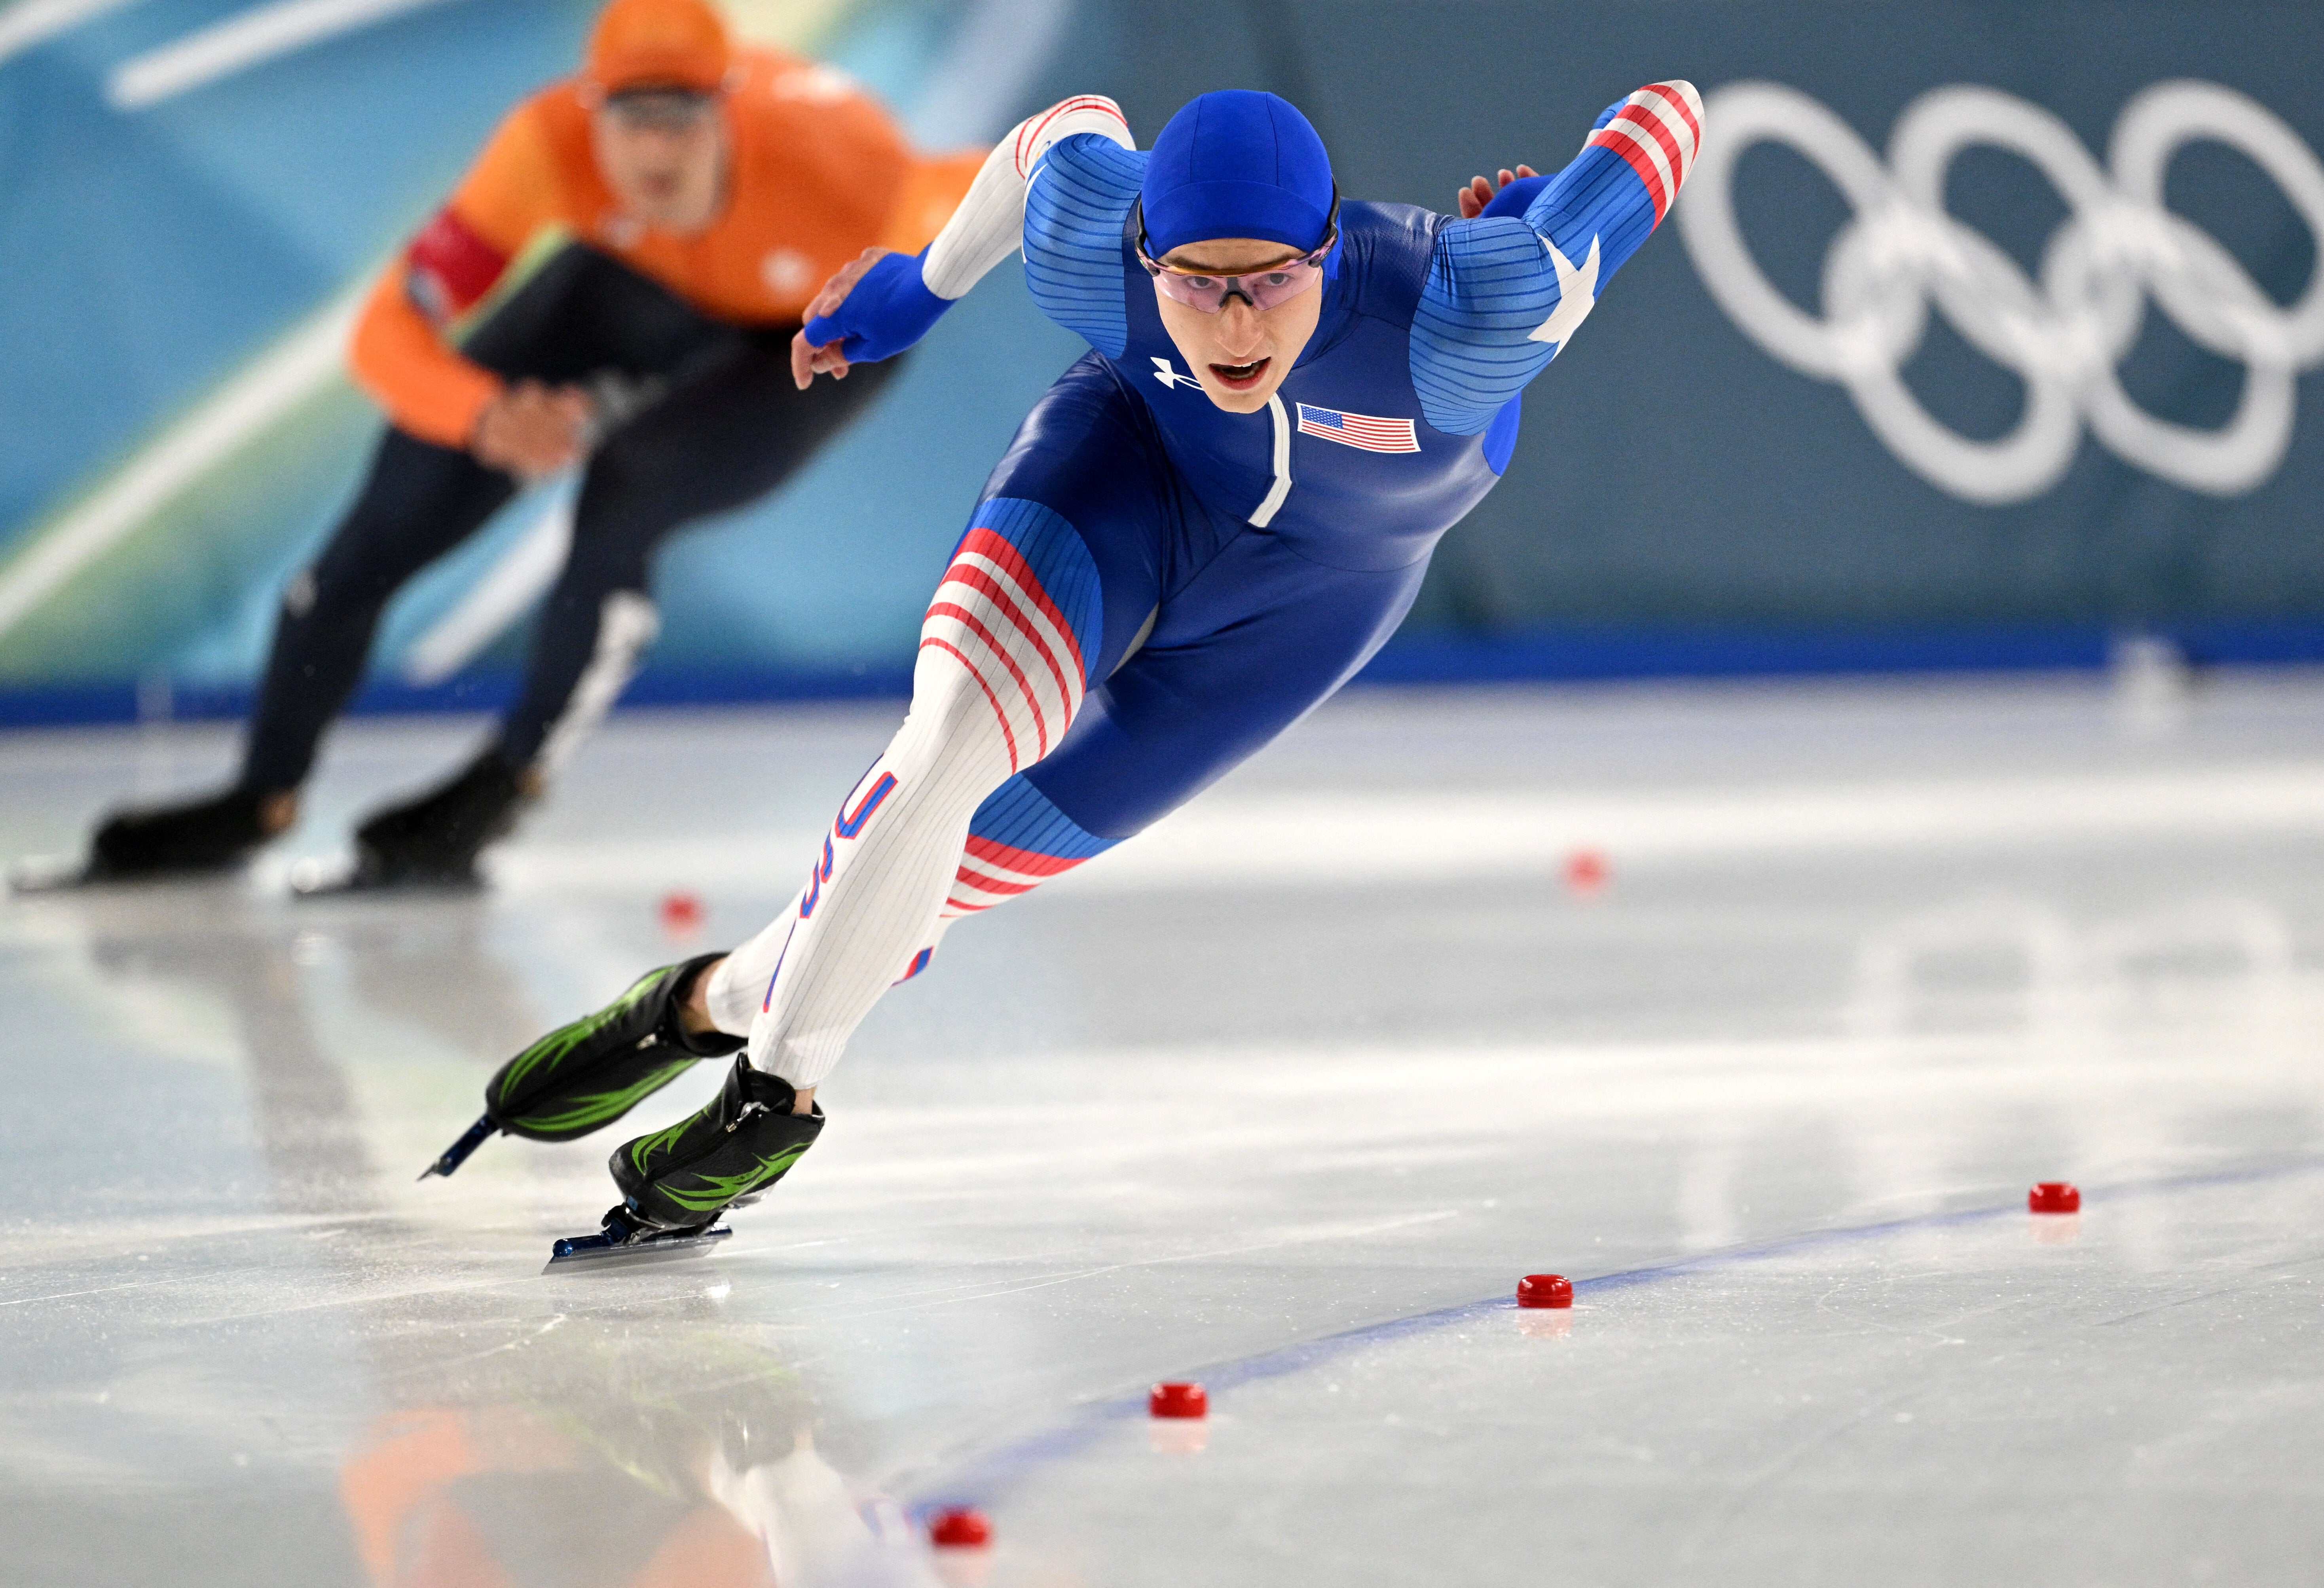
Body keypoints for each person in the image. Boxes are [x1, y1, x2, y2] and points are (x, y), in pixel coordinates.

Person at [431, 80, 1706, 1247]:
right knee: (945, 743)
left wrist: (1550, 212)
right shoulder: (1089, 236)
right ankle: (776, 1098)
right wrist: (919, 287)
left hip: (1313, 598)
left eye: (1270, 282)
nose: (1235, 321)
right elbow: (1056, 134)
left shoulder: (1478, 305)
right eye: (1195, 285)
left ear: (1328, 257)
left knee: (942, 884)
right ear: (1141, 255)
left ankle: (698, 1005)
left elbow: (1670, 114)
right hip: (1122, 479)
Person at [74, 0, 978, 889]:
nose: (656, 151)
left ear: (730, 112)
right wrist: (482, 412)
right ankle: (259, 794)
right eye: (631, 120)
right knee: (385, 520)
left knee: (630, 490)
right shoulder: (547, 148)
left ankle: (506, 784)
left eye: (683, 120)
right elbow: (383, 333)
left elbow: (1001, 186)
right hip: (634, 282)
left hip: (808, 334)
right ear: (591, 116)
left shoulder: (848, 165)